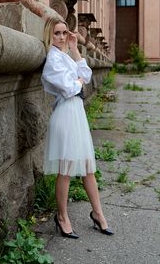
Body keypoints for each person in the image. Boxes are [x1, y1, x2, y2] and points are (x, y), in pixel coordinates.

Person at [41, 16, 113, 239]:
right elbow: (70, 88)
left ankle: (98, 214)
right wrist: (79, 81)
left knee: (88, 167)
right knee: (67, 169)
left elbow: (87, 76)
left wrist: (75, 49)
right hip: (66, 115)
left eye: (64, 32)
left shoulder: (65, 56)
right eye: (57, 33)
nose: (62, 37)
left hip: (77, 114)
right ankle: (62, 217)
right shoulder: (52, 60)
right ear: (49, 36)